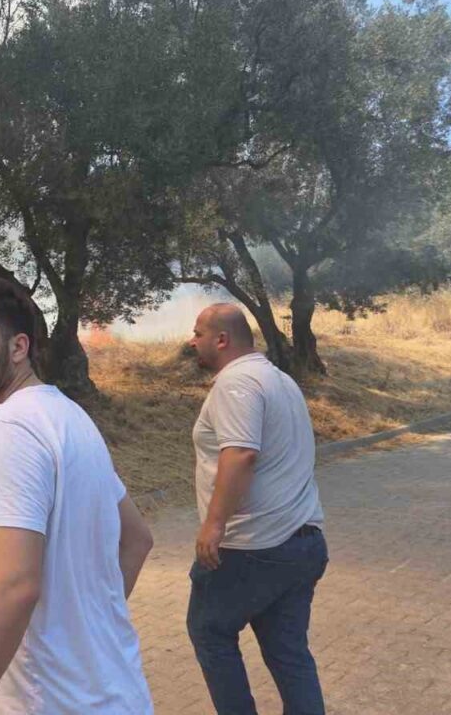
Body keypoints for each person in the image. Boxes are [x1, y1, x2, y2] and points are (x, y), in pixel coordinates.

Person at [0, 278, 155, 715]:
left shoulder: (6, 428)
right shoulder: (70, 417)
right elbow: (138, 539)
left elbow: (13, 586)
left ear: (18, 347)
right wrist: (78, 633)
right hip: (117, 696)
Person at [186, 304, 328, 714]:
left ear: (222, 339)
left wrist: (214, 525)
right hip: (302, 542)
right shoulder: (280, 380)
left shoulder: (236, 383)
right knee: (289, 654)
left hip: (252, 548)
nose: (192, 341)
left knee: (209, 631)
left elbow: (241, 453)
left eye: (198, 333)